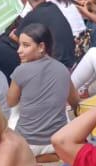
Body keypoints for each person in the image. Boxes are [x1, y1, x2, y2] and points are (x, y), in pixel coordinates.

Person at [8, 24, 77, 153]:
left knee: (13, 111)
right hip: (58, 140)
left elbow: (11, 102)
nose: (19, 50)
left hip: (28, 144)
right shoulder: (62, 68)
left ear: (41, 47)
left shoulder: (20, 70)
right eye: (19, 45)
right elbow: (75, 102)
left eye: (25, 45)